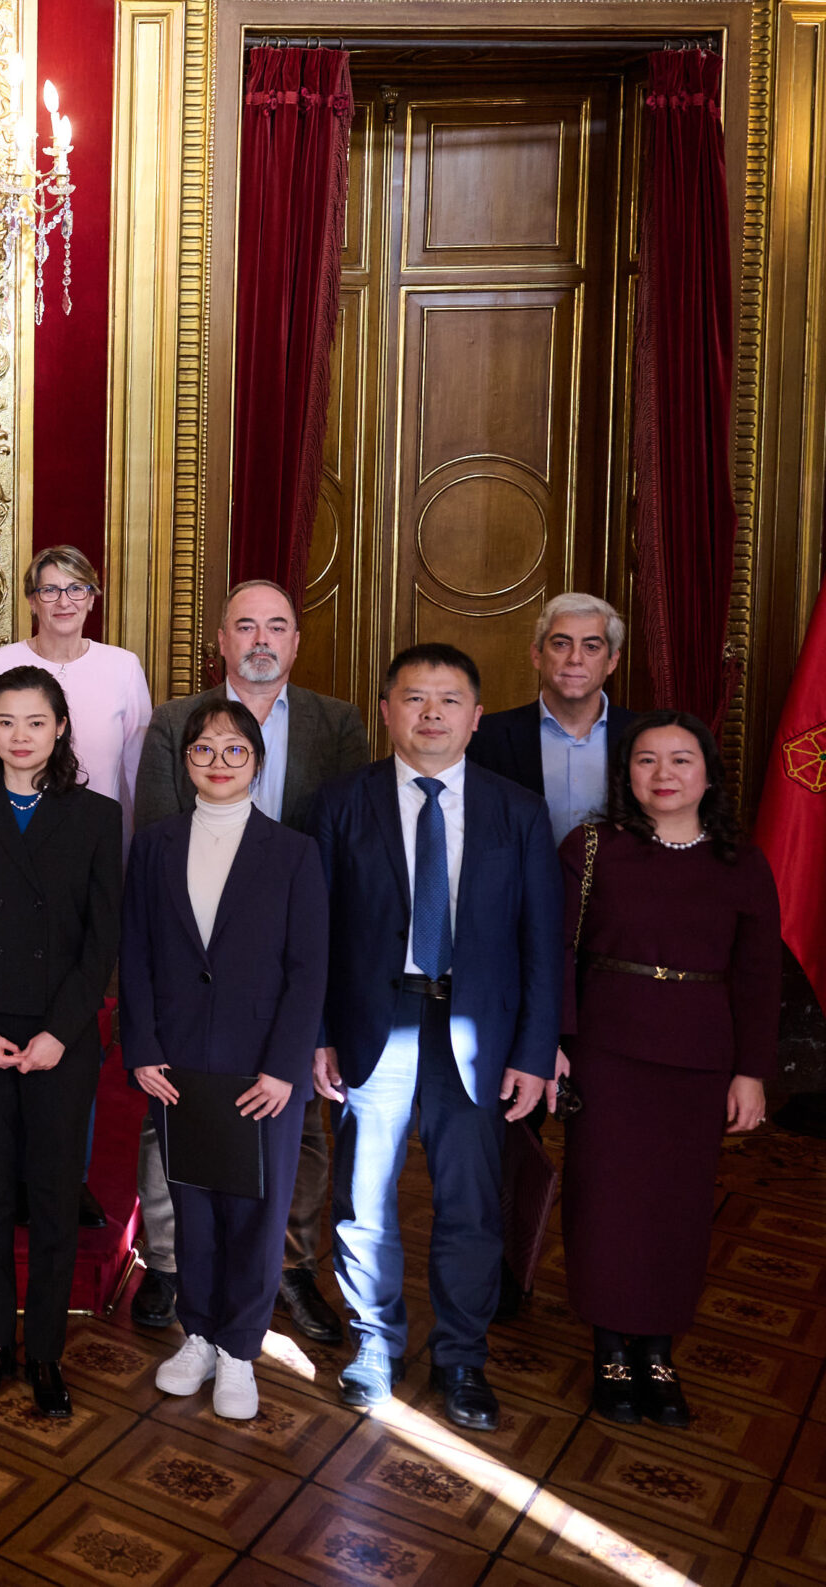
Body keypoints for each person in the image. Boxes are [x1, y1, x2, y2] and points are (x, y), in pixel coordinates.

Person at [311, 644, 560, 1433]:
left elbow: (542, 943)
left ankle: (462, 1357)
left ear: (476, 716)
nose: (430, 714)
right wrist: (317, 1034)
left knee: (471, 1205)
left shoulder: (516, 810)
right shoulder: (339, 803)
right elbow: (314, 934)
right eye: (413, 698)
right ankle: (374, 1346)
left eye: (448, 700)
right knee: (363, 1200)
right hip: (373, 1026)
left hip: (477, 1032)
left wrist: (532, 1047)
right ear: (385, 711)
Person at [131, 578, 368, 1344]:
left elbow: (349, 841)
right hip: (192, 970)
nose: (261, 639)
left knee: (296, 1130)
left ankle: (289, 1269)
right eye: (244, 626)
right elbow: (162, 842)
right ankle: (169, 1267)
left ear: (296, 642)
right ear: (222, 642)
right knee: (173, 1129)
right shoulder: (175, 723)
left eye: (277, 626)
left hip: (289, 965)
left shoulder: (337, 723)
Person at [559, 712, 777, 1428]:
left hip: (698, 1061)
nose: (663, 774)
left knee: (675, 1209)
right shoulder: (592, 848)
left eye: (680, 759)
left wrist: (751, 1071)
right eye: (646, 760)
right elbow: (557, 953)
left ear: (708, 774)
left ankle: (657, 1348)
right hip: (606, 1050)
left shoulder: (742, 863)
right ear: (626, 773)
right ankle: (610, 1350)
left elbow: (756, 976)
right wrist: (553, 1044)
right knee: (606, 1203)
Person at [122, 703, 329, 1421]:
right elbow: (138, 954)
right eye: (203, 748)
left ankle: (242, 1346)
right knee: (193, 1206)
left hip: (260, 1068)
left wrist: (284, 1066)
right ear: (184, 761)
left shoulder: (293, 852)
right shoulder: (152, 846)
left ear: (257, 760)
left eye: (233, 749)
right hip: (176, 1062)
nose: (217, 760)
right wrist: (143, 1047)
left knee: (258, 1210)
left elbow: (308, 970)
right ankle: (199, 1333)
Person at [0, 667, 122, 1419]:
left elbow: (99, 941)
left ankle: (43, 1351)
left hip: (59, 1037)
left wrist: (57, 1034)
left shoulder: (97, 817)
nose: (20, 735)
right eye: (6, 721)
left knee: (49, 1197)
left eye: (35, 722)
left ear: (61, 728)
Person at [0, 546, 154, 844]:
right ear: (32, 601)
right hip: (16, 835)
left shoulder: (123, 666)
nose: (64, 601)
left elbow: (137, 769)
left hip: (98, 837)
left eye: (76, 589)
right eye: (50, 590)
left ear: (90, 599)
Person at [467, 592, 638, 846]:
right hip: (520, 885)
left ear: (612, 661)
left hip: (620, 884)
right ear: (537, 655)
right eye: (561, 644)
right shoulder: (485, 738)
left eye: (591, 647)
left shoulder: (642, 735)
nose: (575, 659)